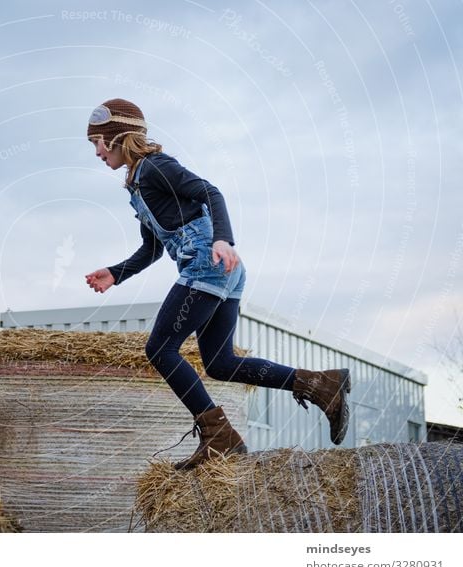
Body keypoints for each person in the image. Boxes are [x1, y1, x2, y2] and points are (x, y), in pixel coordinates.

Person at [83, 98, 351, 470]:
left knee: (160, 350)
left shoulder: (156, 167)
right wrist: (117, 272)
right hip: (222, 270)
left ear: (118, 137)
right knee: (221, 363)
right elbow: (153, 247)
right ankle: (321, 385)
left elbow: (211, 192)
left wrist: (223, 239)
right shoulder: (137, 185)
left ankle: (218, 436)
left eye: (98, 142)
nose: (96, 152)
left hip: (209, 264)